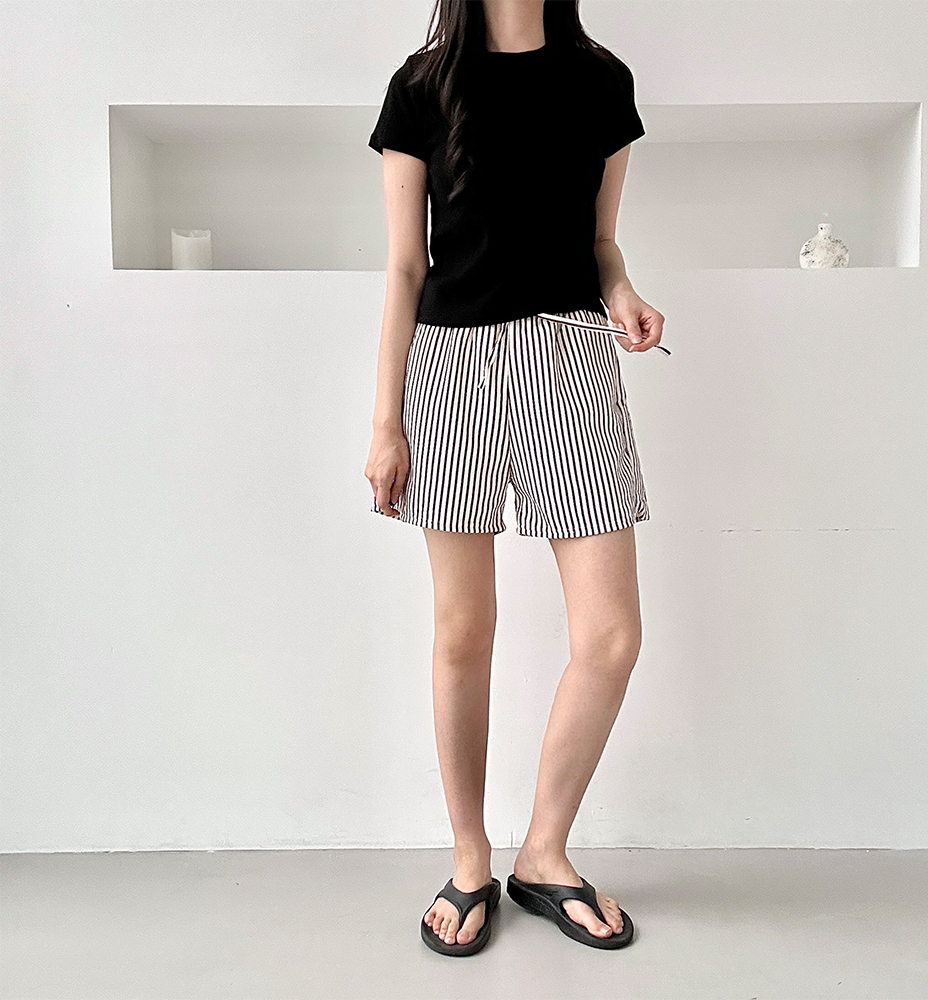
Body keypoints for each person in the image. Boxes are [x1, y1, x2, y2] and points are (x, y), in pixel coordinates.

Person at [364, 0, 665, 955]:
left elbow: (601, 244)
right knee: (464, 630)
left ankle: (543, 852)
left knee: (611, 636)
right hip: (448, 367)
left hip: (571, 358)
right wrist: (385, 421)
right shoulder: (422, 86)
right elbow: (404, 267)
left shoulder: (600, 81)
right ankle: (468, 859)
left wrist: (624, 291)